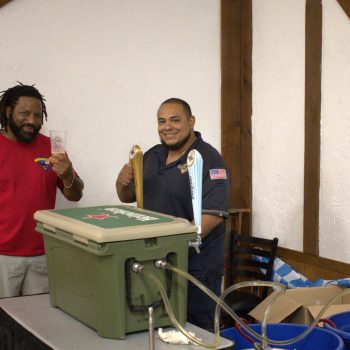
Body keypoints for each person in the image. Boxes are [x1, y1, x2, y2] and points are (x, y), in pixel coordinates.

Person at [116, 98, 230, 330]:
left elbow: (211, 217)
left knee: (198, 333)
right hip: (158, 263)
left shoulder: (208, 159)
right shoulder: (152, 156)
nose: (167, 126)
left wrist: (166, 244)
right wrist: (123, 182)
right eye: (161, 121)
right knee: (163, 329)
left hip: (196, 269)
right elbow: (127, 196)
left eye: (175, 120)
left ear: (191, 121)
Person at [0, 82, 84, 298]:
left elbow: (75, 194)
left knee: (37, 324)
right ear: (8, 111)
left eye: (38, 115)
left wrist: (67, 175)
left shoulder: (51, 147)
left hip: (43, 251)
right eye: (25, 114)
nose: (32, 121)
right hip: (3, 255)